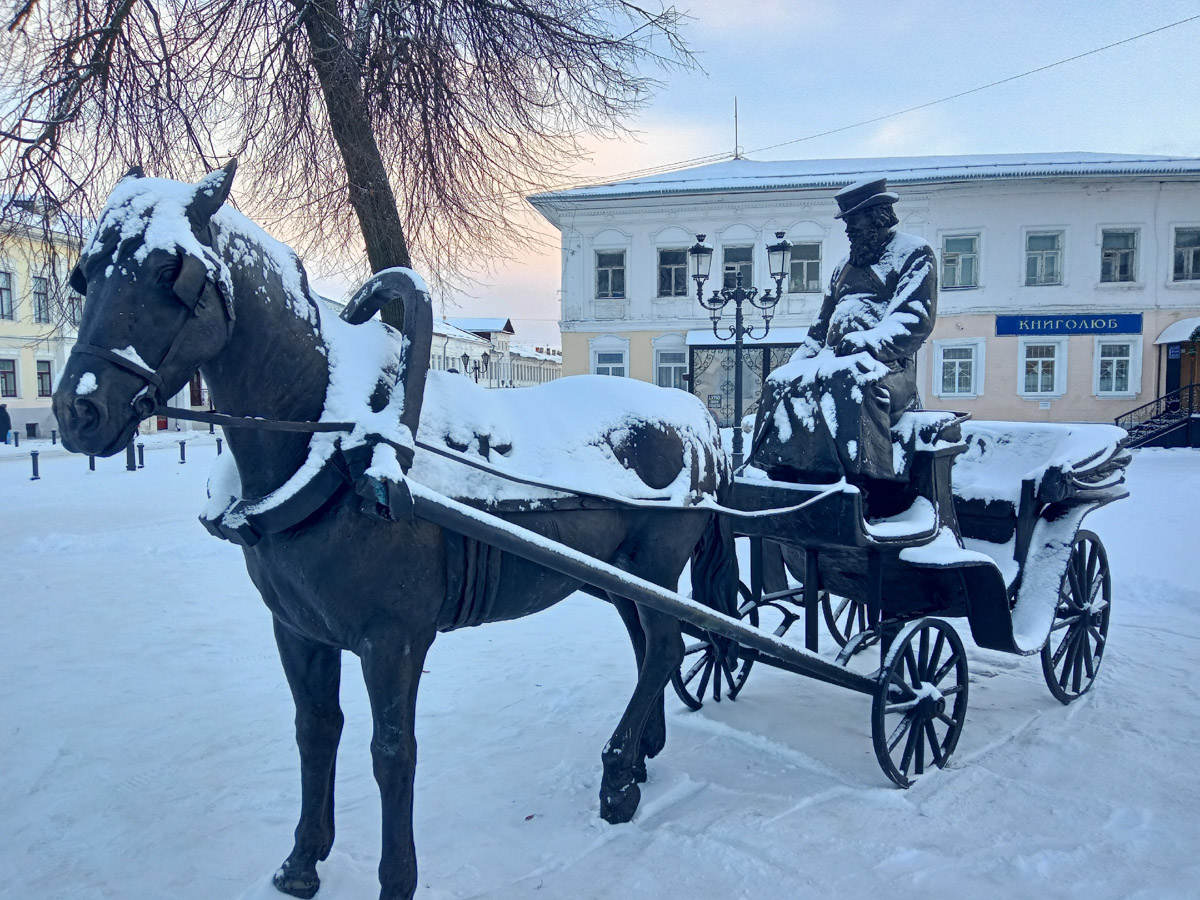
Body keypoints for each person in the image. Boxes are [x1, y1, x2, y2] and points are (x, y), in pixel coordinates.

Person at [747, 177, 937, 485]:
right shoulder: (842, 268)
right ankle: (781, 470)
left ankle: (871, 483)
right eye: (847, 225)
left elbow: (914, 320)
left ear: (879, 218)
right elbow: (817, 334)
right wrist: (794, 366)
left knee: (847, 380)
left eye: (854, 224)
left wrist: (865, 342)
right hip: (832, 362)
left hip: (887, 370)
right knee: (779, 381)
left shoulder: (914, 253)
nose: (849, 232)